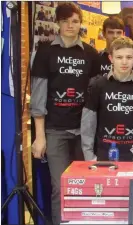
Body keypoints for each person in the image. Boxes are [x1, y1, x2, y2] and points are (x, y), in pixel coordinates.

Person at [30, 3, 99, 224]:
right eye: (66, 21)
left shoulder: (90, 54)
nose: (71, 25)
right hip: (55, 130)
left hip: (85, 133)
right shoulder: (46, 51)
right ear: (58, 23)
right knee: (60, 187)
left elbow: (95, 95)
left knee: (86, 184)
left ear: (81, 24)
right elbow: (39, 96)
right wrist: (39, 137)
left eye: (75, 21)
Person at [81, 36, 133, 161]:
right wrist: (89, 155)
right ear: (111, 58)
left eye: (129, 57)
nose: (124, 62)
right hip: (104, 155)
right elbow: (88, 123)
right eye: (119, 57)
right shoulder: (98, 86)